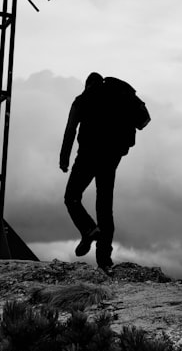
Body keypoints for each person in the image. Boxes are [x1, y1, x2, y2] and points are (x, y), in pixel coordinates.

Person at [60, 72, 150, 269]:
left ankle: (88, 229)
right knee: (104, 206)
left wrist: (64, 158)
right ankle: (104, 260)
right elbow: (144, 121)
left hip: (87, 154)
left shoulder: (83, 98)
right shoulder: (122, 95)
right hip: (111, 156)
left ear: (88, 85)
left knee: (72, 197)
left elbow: (70, 129)